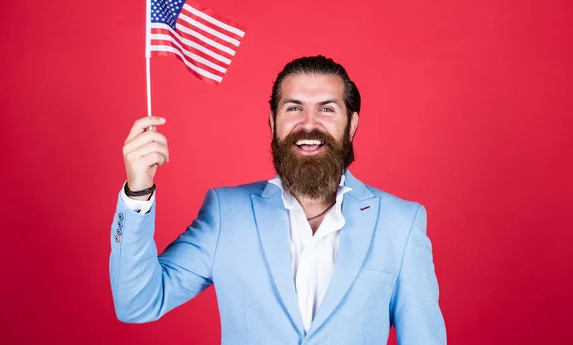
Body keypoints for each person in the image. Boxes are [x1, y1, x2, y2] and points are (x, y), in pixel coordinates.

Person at [109, 55, 446, 344]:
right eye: (293, 107)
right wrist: (137, 191)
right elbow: (138, 302)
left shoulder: (401, 224)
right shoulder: (227, 213)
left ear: (352, 124)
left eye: (327, 109)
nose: (309, 124)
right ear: (273, 122)